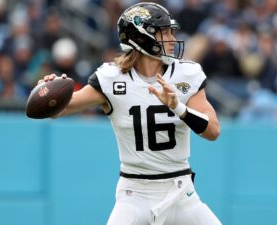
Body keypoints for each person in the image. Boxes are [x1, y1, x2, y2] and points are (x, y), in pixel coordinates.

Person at [38, 2, 222, 225]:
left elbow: (213, 131)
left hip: (181, 191)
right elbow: (60, 109)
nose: (173, 39)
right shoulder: (111, 78)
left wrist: (178, 107)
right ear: (142, 37)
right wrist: (47, 93)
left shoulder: (186, 74)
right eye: (164, 33)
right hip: (135, 194)